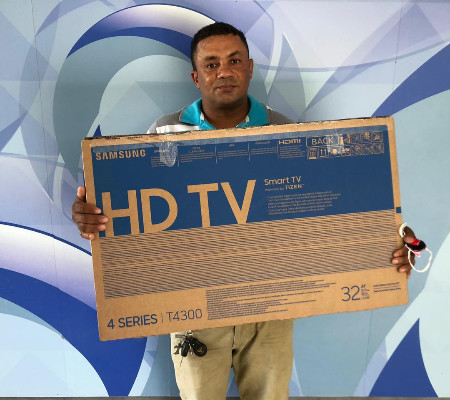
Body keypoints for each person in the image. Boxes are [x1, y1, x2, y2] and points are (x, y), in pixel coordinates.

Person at [72, 22, 416, 400]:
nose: (224, 71)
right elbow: (137, 214)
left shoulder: (285, 131)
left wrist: (383, 247)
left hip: (271, 310)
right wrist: (93, 216)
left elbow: (325, 212)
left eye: (234, 61)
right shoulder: (164, 133)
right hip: (194, 313)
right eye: (211, 64)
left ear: (250, 68)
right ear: (196, 76)